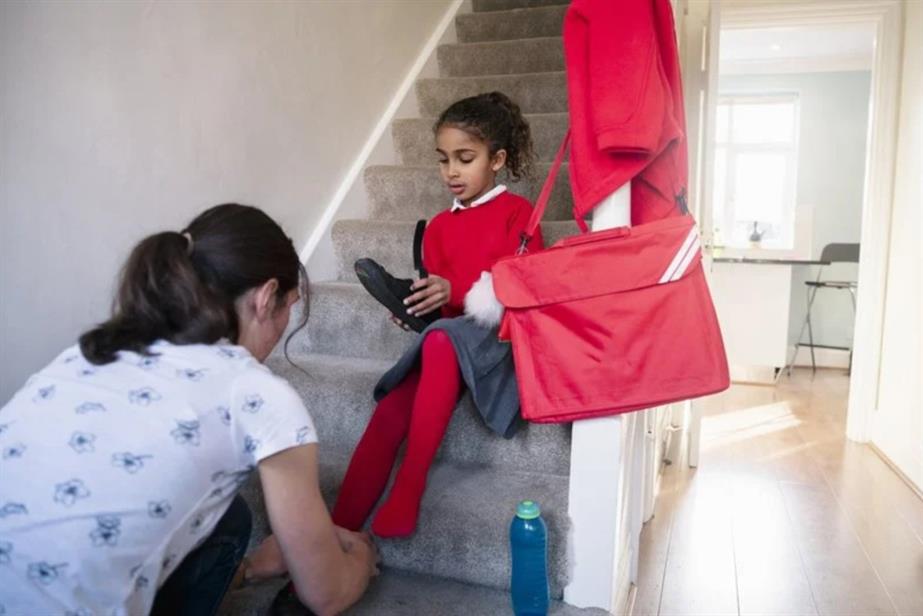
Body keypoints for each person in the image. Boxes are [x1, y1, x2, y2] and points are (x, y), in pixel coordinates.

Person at [0, 204, 378, 616]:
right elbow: (326, 594)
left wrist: (250, 568)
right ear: (266, 297)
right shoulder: (256, 394)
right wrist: (360, 560)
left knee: (229, 518)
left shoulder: (92, 352)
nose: (288, 319)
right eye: (290, 305)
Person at [334, 91, 545, 538]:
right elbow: (446, 306)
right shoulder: (438, 226)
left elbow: (523, 290)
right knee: (391, 410)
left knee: (441, 339)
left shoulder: (518, 214)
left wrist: (459, 293)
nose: (451, 171)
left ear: (497, 159)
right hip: (447, 342)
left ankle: (408, 489)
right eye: (443, 159)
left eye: (465, 158)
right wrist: (421, 306)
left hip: (495, 342)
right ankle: (338, 531)